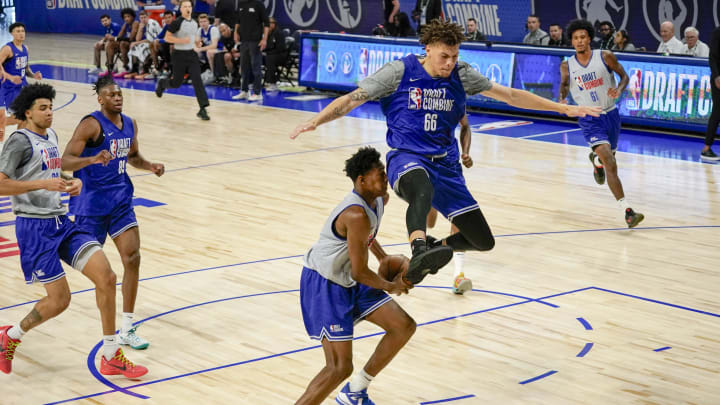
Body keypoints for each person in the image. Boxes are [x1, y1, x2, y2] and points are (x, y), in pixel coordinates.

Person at [291, 19, 601, 286]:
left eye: (454, 56)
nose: (449, 62)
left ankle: (432, 250)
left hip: (447, 166)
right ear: (427, 49)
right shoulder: (399, 72)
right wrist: (317, 120)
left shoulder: (461, 74)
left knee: (482, 240)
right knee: (421, 186)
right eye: (444, 56)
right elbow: (352, 98)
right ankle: (419, 250)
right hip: (407, 157)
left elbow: (509, 95)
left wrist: (563, 108)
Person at [0, 83, 148, 378]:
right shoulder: (18, 141)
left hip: (61, 223)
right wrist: (41, 185)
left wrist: (69, 181)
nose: (50, 113)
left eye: (51, 107)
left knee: (106, 277)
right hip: (34, 229)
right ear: (27, 113)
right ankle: (12, 335)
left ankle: (110, 355)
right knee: (60, 300)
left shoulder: (51, 135)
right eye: (43, 108)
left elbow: (51, 173)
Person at [295, 147, 415, 405]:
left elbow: (364, 239)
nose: (385, 179)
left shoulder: (380, 200)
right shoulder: (355, 214)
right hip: (324, 283)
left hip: (348, 278)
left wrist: (382, 257)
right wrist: (389, 286)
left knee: (402, 326)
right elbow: (361, 271)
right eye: (379, 175)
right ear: (361, 181)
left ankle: (356, 391)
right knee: (338, 367)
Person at [61, 76, 165, 351]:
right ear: (100, 99)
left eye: (119, 94)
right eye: (111, 94)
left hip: (120, 201)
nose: (117, 97)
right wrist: (92, 159)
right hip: (91, 206)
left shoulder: (130, 124)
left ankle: (127, 328)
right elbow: (65, 160)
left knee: (132, 258)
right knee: (101, 275)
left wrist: (150, 165)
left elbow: (132, 156)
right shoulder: (90, 124)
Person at [560, 19, 644, 228]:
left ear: (589, 38)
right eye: (575, 38)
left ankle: (596, 162)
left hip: (611, 114)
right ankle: (627, 211)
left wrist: (619, 89)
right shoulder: (566, 65)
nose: (579, 41)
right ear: (571, 41)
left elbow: (624, 76)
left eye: (583, 37)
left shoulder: (605, 56)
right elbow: (563, 85)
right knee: (611, 162)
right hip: (589, 117)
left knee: (609, 159)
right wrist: (562, 98)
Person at [425, 114, 472, 295]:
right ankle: (418, 253)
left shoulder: (454, 94)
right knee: (429, 222)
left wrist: (466, 152)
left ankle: (458, 275)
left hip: (451, 164)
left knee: (460, 217)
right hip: (427, 161)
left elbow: (466, 126)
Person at [155, 0, 211, 121]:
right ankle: (162, 84)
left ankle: (203, 109)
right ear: (180, 9)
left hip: (191, 55)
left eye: (189, 6)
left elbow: (195, 37)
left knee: (197, 81)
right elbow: (167, 37)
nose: (187, 8)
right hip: (179, 55)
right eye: (184, 6)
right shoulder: (177, 22)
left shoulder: (195, 23)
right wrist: (181, 41)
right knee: (176, 83)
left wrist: (198, 42)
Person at [0, 22, 42, 141]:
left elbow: (25, 67)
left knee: (29, 115)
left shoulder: (25, 48)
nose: (21, 34)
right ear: (12, 33)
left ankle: (19, 140)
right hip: (9, 88)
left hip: (23, 87)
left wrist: (34, 75)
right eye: (18, 31)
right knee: (23, 116)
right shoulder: (7, 49)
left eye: (22, 31)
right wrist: (10, 77)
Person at [231, 0, 269, 102]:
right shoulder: (241, 4)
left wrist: (264, 39)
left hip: (255, 41)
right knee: (244, 67)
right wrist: (235, 32)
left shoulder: (258, 4)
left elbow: (266, 23)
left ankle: (257, 93)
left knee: (256, 67)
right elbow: (238, 21)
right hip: (244, 40)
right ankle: (244, 91)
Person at [127, 9, 163, 79]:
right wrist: (140, 29)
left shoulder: (151, 23)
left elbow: (150, 40)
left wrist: (136, 42)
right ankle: (135, 70)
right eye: (141, 18)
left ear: (148, 16)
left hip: (159, 44)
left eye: (144, 17)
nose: (143, 19)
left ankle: (146, 71)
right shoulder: (143, 25)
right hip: (151, 43)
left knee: (142, 48)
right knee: (135, 47)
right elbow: (137, 39)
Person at [702, 26, 720, 161]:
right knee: (717, 112)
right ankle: (706, 148)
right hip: (719, 78)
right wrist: (716, 76)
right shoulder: (718, 31)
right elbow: (712, 56)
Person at [108, 8, 140, 77]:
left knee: (122, 43)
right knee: (111, 44)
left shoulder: (136, 23)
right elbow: (119, 36)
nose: (126, 19)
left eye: (128, 16)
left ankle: (125, 67)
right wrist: (113, 39)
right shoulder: (125, 24)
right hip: (127, 45)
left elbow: (131, 38)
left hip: (136, 45)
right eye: (125, 17)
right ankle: (111, 67)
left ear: (133, 16)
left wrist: (116, 38)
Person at [264, 18, 286, 92]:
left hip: (280, 55)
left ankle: (273, 83)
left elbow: (280, 48)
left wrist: (268, 52)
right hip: (270, 54)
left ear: (274, 24)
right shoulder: (266, 34)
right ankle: (252, 81)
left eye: (269, 23)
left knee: (270, 58)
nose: (268, 25)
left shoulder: (279, 33)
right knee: (255, 56)